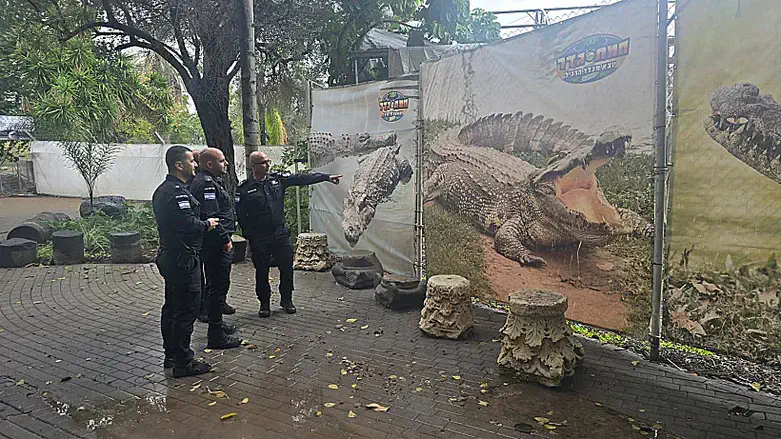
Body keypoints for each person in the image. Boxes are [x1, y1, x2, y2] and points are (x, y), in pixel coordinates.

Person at [236, 151, 341, 317]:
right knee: (262, 271)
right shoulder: (245, 188)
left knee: (286, 268)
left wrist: (326, 177)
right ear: (253, 166)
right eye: (263, 162)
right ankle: (264, 304)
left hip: (280, 233)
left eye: (268, 161)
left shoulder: (277, 180)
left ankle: (286, 300)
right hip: (260, 237)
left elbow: (301, 178)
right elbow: (241, 214)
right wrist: (250, 235)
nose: (267, 165)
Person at [153, 145, 219, 378]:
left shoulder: (166, 190)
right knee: (186, 310)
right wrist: (208, 224)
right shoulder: (177, 193)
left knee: (172, 306)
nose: (195, 165)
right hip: (183, 258)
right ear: (179, 165)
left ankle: (171, 354)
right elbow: (188, 224)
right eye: (192, 161)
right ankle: (183, 361)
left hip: (172, 256)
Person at [188, 147, 241, 349]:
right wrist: (225, 239)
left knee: (216, 286)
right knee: (217, 286)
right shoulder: (206, 184)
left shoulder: (209, 181)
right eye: (222, 161)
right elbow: (212, 218)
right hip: (215, 244)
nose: (226, 164)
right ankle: (216, 334)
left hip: (214, 243)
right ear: (209, 164)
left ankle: (216, 323)